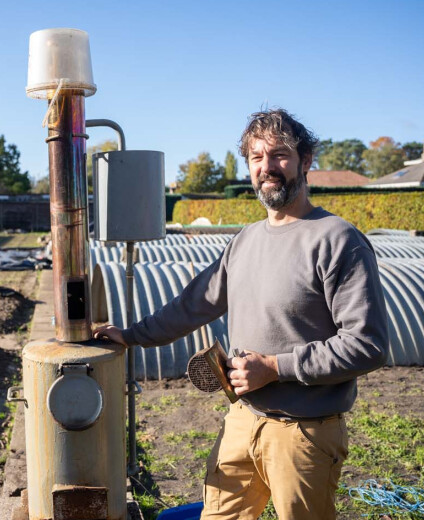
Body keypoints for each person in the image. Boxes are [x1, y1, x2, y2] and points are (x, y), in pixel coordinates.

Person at [94, 108, 389, 520]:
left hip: (304, 432)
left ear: (306, 161)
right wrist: (131, 334)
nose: (267, 167)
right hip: (242, 420)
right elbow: (191, 305)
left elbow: (367, 345)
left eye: (280, 155)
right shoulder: (245, 241)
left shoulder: (337, 240)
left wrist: (274, 366)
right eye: (256, 157)